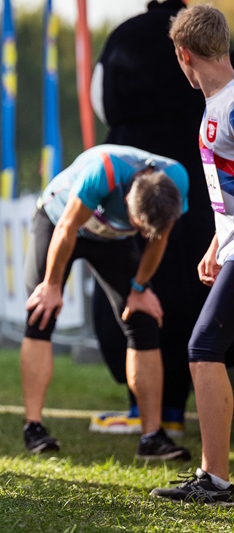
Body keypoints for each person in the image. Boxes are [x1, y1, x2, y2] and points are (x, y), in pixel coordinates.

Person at [89, 0, 212, 439]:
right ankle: (176, 408)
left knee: (133, 297)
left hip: (134, 203)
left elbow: (102, 100)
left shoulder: (125, 35)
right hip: (207, 196)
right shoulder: (209, 36)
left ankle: (145, 408)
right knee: (200, 307)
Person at [20, 144, 191, 461]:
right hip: (60, 220)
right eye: (137, 224)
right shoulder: (103, 172)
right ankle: (34, 427)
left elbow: (160, 237)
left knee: (142, 320)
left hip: (110, 239)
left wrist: (139, 288)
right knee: (42, 312)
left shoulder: (176, 179)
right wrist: (53, 285)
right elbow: (67, 228)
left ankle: (152, 437)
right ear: (127, 200)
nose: (141, 232)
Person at [151, 5, 234, 505]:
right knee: (207, 349)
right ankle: (214, 476)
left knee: (203, 348)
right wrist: (217, 244)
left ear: (184, 54)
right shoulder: (215, 104)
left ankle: (216, 479)